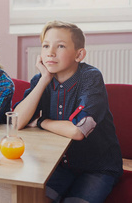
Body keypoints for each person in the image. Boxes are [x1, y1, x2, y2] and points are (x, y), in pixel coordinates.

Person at [13, 20, 122, 202]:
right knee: (31, 199)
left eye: (60, 46)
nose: (50, 53)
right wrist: (43, 80)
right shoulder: (41, 80)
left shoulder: (90, 78)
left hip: (96, 168)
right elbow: (15, 122)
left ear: (79, 54)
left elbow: (78, 130)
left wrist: (41, 122)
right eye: (46, 46)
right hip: (59, 166)